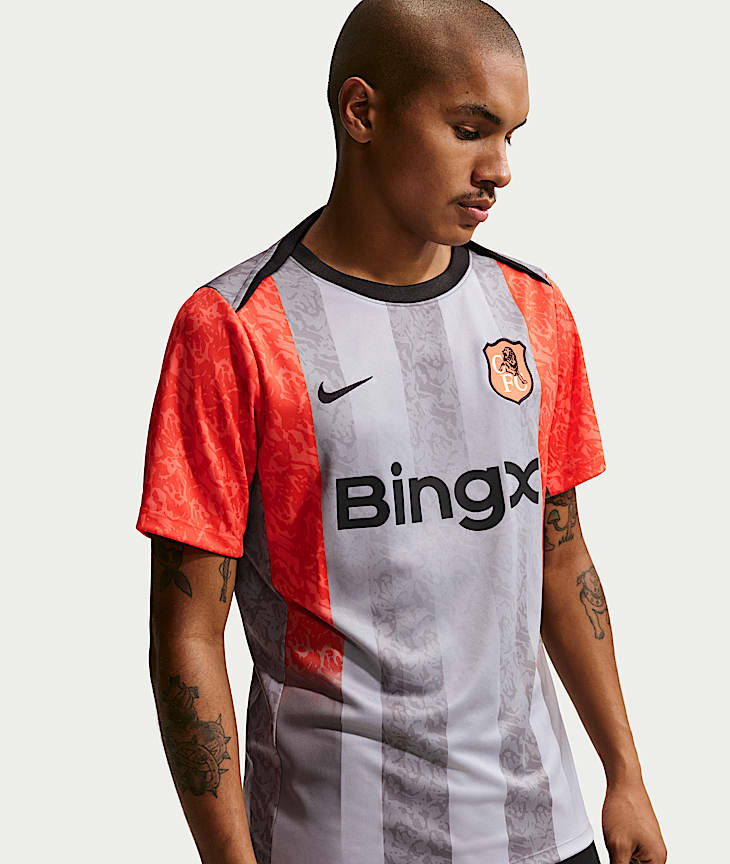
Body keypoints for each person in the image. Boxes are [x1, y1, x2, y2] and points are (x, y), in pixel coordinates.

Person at [136, 1, 667, 863]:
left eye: (511, 137)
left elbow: (561, 556)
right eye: (470, 129)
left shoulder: (532, 310)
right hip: (333, 841)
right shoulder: (234, 329)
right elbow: (187, 632)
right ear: (363, 113)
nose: (500, 169)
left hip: (544, 831)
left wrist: (626, 773)